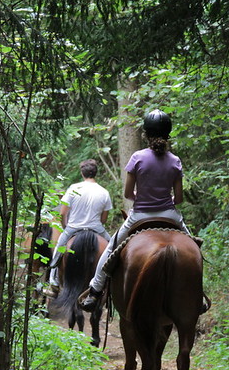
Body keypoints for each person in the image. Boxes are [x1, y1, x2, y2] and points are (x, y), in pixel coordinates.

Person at [80, 108, 194, 312]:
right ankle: (198, 295)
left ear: (146, 134)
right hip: (170, 215)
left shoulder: (137, 158)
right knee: (193, 249)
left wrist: (141, 197)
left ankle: (95, 291)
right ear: (168, 134)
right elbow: (179, 198)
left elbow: (127, 193)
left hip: (140, 215)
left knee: (110, 249)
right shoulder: (175, 161)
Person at [44, 158, 113, 298]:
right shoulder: (104, 192)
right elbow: (104, 219)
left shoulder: (74, 188)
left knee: (58, 250)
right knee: (114, 249)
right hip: (96, 229)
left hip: (73, 228)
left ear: (82, 173)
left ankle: (53, 284)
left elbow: (62, 213)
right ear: (95, 173)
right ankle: (114, 284)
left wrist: (66, 228)